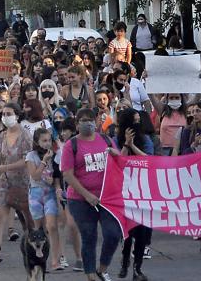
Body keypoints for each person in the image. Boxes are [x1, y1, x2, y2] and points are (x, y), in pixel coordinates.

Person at [61, 107, 121, 281]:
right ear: (77, 124)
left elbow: (119, 162)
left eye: (90, 119)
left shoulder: (106, 140)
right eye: (83, 120)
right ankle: (90, 275)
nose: (88, 123)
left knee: (112, 234)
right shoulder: (71, 145)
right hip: (80, 199)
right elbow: (68, 175)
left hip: (106, 197)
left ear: (96, 121)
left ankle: (102, 269)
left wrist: (116, 154)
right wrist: (87, 195)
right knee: (89, 236)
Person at [0, 104, 34, 274]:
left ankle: (35, 259)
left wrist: (5, 167)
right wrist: (2, 170)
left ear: (17, 115)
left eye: (9, 113)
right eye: (3, 114)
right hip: (5, 181)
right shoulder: (2, 135)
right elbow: (0, 157)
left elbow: (27, 161)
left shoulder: (25, 136)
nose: (5, 117)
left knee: (30, 225)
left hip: (23, 183)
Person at [115, 110, 154, 281]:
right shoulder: (115, 139)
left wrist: (133, 146)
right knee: (128, 233)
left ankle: (138, 269)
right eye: (134, 121)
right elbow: (118, 162)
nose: (138, 124)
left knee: (142, 233)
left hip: (143, 191)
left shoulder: (145, 139)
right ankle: (125, 263)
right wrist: (125, 144)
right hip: (123, 192)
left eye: (139, 120)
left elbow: (149, 160)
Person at [26, 128, 64, 272]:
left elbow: (57, 176)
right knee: (39, 230)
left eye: (49, 140)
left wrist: (54, 183)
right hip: (35, 193)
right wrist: (43, 162)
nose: (47, 143)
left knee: (52, 226)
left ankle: (56, 260)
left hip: (50, 194)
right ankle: (41, 259)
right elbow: (34, 176)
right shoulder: (31, 156)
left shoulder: (55, 156)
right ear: (37, 142)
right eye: (44, 141)